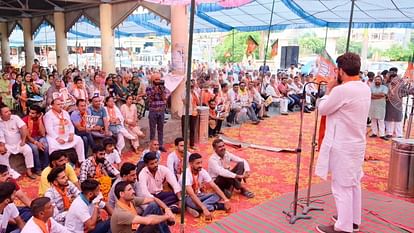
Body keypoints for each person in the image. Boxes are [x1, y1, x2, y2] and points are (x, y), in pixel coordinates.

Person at [315, 52, 371, 233]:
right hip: (356, 143)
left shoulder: (341, 90)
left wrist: (328, 90)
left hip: (343, 145)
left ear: (341, 71)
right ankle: (352, 220)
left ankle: (343, 227)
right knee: (353, 182)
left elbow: (323, 109)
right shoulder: (364, 87)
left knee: (341, 186)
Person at [182, 153, 231, 220]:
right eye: (197, 163)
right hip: (188, 197)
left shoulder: (202, 171)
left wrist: (226, 200)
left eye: (201, 163)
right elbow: (192, 194)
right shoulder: (186, 174)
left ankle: (196, 208)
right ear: (191, 164)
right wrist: (204, 208)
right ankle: (216, 206)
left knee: (217, 195)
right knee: (197, 205)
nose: (200, 165)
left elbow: (214, 186)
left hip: (199, 195)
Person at [44, 99, 85, 164]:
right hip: (55, 137)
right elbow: (49, 129)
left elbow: (71, 125)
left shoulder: (65, 113)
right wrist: (57, 138)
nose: (60, 106)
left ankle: (81, 161)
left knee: (79, 140)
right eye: (58, 104)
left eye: (61, 104)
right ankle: (54, 164)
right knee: (52, 145)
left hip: (67, 135)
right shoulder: (48, 115)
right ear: (52, 106)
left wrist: (71, 134)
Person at [0, 104, 36, 179]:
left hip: (19, 143)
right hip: (7, 145)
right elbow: (1, 136)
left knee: (28, 150)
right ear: (1, 114)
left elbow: (23, 127)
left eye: (9, 111)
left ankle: (29, 171)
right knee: (2, 155)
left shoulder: (15, 117)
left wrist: (23, 140)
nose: (9, 113)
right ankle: (9, 173)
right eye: (6, 112)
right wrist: (2, 146)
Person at [22, 105, 49, 175]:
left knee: (45, 146)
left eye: (33, 113)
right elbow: (27, 136)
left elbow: (43, 134)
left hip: (40, 137)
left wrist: (40, 120)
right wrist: (36, 143)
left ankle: (46, 167)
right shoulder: (25, 120)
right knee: (34, 148)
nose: (30, 114)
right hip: (30, 139)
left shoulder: (42, 118)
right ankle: (38, 169)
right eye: (30, 112)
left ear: (38, 114)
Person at [146, 72, 170, 152]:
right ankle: (152, 146)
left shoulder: (163, 87)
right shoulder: (149, 87)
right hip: (153, 111)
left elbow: (165, 98)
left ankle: (160, 145)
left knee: (161, 129)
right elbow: (150, 99)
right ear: (152, 80)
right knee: (152, 130)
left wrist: (161, 91)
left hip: (161, 111)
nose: (158, 81)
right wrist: (154, 91)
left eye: (159, 79)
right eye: (156, 79)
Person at [181, 81, 199, 149]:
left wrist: (193, 93)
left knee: (192, 129)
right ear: (186, 86)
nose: (191, 87)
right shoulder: (184, 93)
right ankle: (184, 145)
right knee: (185, 130)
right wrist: (189, 93)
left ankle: (192, 144)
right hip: (186, 113)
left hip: (194, 112)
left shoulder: (195, 92)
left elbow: (198, 101)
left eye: (192, 86)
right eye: (190, 86)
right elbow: (186, 103)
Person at [369, 76, 388, 140]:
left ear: (381, 81)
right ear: (374, 80)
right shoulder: (371, 87)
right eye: (376, 80)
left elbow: (383, 94)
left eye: (379, 80)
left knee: (381, 120)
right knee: (373, 119)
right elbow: (370, 95)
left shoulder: (384, 87)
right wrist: (379, 96)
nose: (377, 81)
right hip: (373, 106)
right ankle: (374, 133)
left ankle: (382, 135)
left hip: (381, 106)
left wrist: (374, 95)